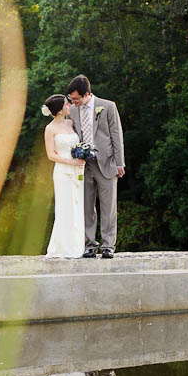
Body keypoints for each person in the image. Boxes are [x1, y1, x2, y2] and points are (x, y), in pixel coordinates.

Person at [66, 75, 125, 259]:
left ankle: (108, 245)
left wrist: (119, 162)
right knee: (86, 206)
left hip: (106, 162)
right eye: (71, 99)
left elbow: (116, 135)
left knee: (108, 206)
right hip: (84, 165)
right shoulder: (73, 111)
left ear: (86, 94)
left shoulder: (108, 106)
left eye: (75, 99)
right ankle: (89, 244)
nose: (73, 102)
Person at [42, 94, 86, 258]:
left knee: (76, 206)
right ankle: (64, 247)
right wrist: (71, 162)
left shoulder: (70, 123)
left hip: (78, 171)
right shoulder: (50, 129)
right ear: (60, 110)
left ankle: (77, 246)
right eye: (67, 104)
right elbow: (51, 155)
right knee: (64, 208)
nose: (70, 106)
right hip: (63, 171)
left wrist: (82, 157)